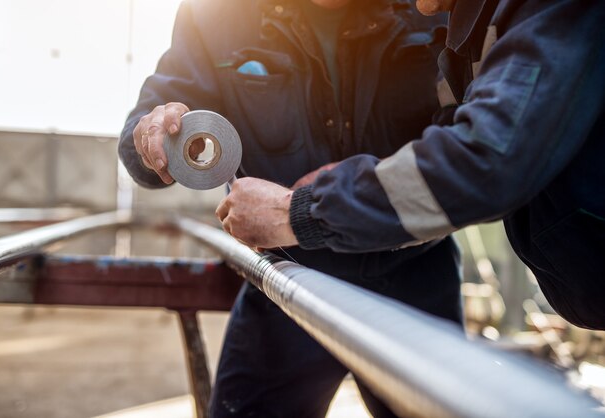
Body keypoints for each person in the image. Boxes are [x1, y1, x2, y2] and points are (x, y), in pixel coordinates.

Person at [119, 0, 464, 416]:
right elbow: (152, 120)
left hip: (415, 277)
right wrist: (153, 137)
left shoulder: (432, 6)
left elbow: (475, 145)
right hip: (287, 282)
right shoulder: (216, 16)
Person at [218, 0, 605, 330]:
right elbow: (462, 149)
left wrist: (295, 212)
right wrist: (344, 185)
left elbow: (483, 161)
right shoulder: (471, 29)